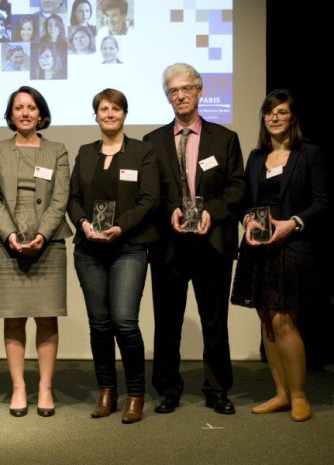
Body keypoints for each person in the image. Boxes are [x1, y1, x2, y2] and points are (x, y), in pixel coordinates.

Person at [143, 63, 245, 415]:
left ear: (200, 91)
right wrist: (170, 209)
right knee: (167, 322)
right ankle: (168, 389)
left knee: (214, 321)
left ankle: (217, 389)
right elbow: (149, 193)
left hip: (211, 242)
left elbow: (237, 187)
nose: (180, 95)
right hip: (169, 245)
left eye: (186, 88)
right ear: (167, 96)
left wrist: (210, 212)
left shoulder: (225, 138)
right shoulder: (152, 142)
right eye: (173, 90)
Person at [230, 89, 329, 422]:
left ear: (293, 118)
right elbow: (245, 202)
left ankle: (299, 395)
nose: (274, 118)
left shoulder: (309, 154)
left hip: (290, 246)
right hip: (257, 249)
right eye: (269, 113)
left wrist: (293, 224)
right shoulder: (256, 157)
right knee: (265, 321)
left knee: (282, 319)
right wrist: (246, 222)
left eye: (282, 112)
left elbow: (322, 202)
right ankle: (281, 393)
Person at [67, 89, 159, 423]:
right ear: (96, 115)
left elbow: (149, 199)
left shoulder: (143, 151)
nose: (109, 114)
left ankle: (135, 394)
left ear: (125, 113)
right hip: (89, 248)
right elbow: (73, 197)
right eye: (103, 109)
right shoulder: (85, 152)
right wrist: (84, 223)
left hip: (129, 248)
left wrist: (119, 227)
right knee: (100, 325)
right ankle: (107, 391)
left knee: (123, 321)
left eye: (116, 108)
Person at [0, 85, 73, 417]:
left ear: (41, 113)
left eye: (31, 107)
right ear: (10, 114)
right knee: (14, 317)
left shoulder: (58, 150)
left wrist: (43, 236)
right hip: (6, 246)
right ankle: (19, 388)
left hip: (48, 245)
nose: (24, 113)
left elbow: (61, 198)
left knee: (47, 317)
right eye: (18, 107)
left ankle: (45, 389)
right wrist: (8, 235)